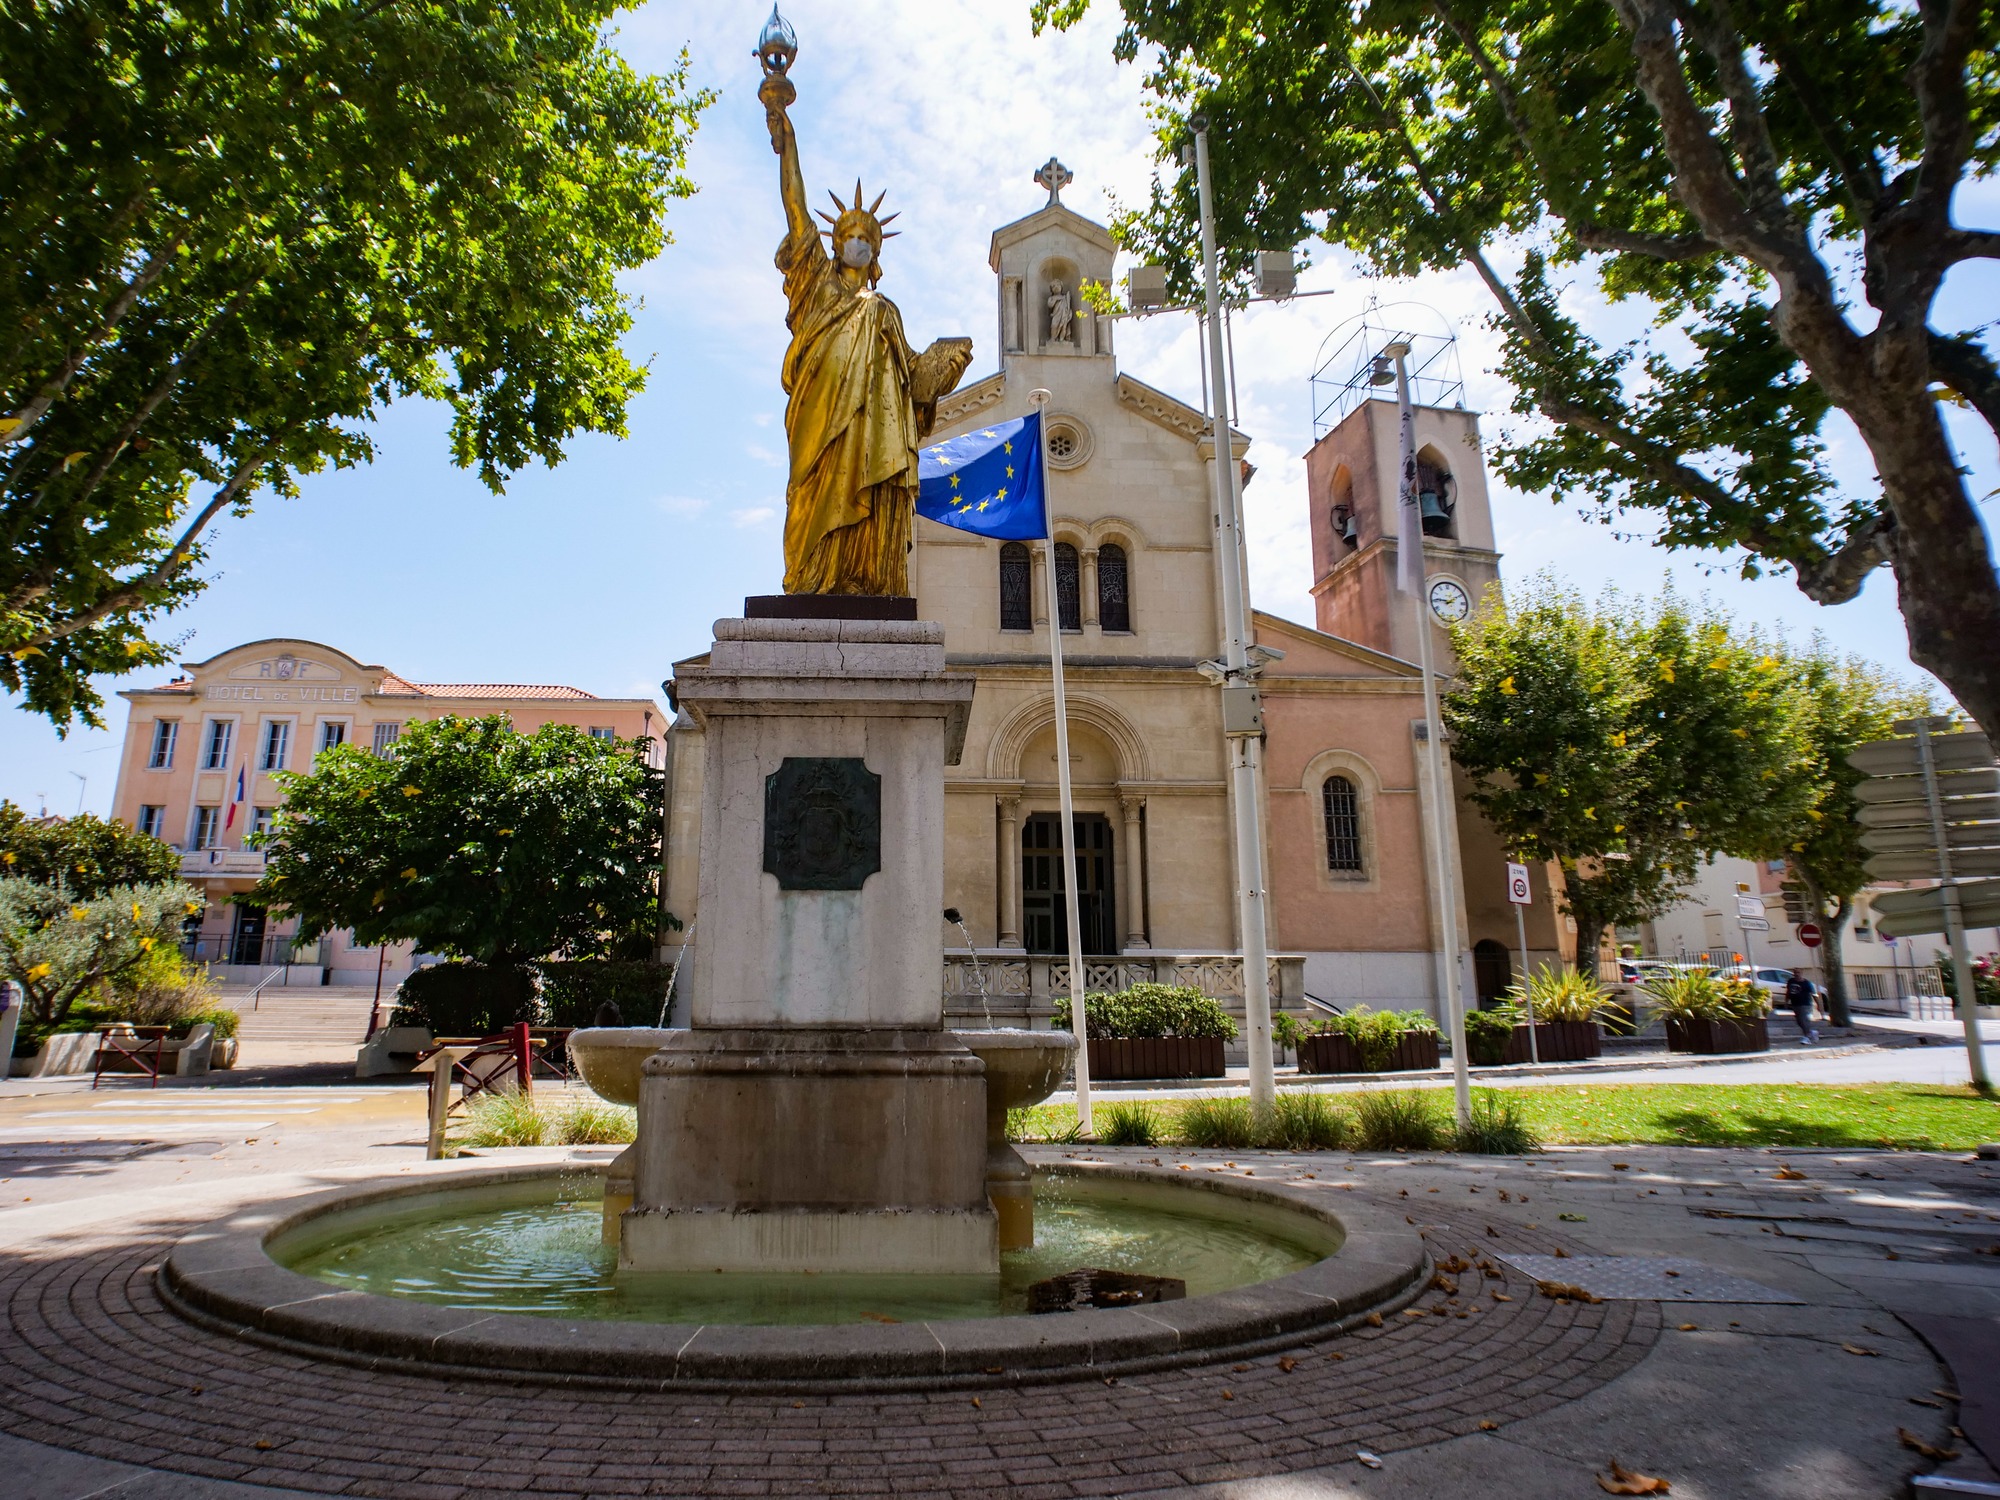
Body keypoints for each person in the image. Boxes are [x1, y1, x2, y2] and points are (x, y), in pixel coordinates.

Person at [1783, 968, 1819, 1045]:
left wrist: (1818, 1005)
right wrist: (1786, 1002)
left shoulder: (1807, 983)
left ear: (1801, 973)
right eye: (1795, 972)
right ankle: (1812, 1032)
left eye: (1798, 972)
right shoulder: (1791, 981)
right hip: (1795, 1004)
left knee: (1804, 1020)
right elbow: (1788, 992)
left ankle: (1807, 1037)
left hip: (1805, 1004)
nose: (1796, 974)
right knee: (1799, 1021)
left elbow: (1814, 994)